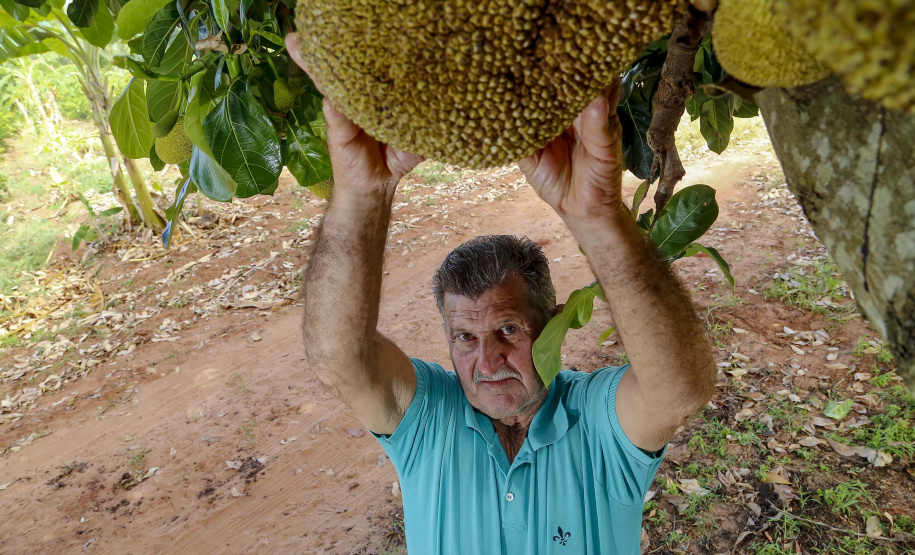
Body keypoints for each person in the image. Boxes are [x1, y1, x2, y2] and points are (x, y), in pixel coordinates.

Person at [289, 34, 716, 555]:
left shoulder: (598, 421)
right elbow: (338, 357)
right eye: (464, 337)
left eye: (507, 329)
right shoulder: (429, 419)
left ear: (554, 323)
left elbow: (679, 392)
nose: (486, 361)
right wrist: (360, 193)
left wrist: (599, 218)